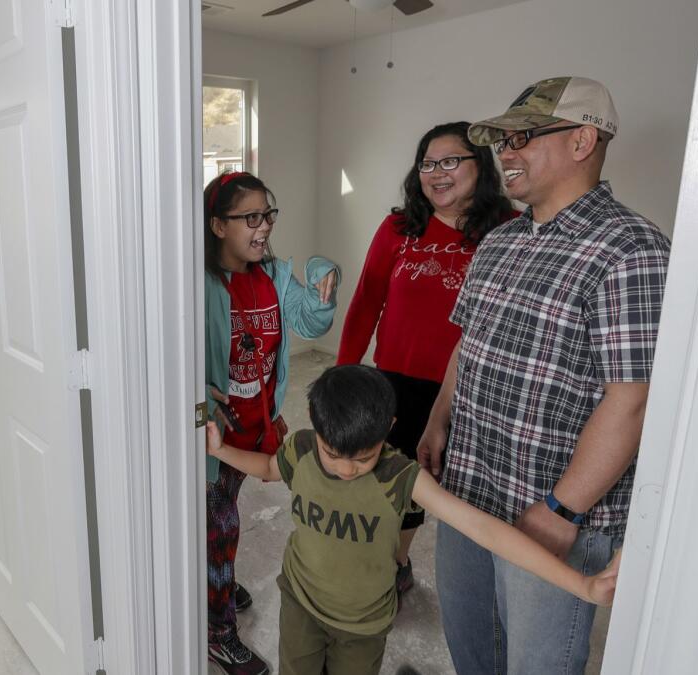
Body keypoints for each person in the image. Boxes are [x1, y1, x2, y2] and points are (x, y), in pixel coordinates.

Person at [417, 76, 671, 674]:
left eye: (523, 136)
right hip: (469, 495)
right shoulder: (500, 240)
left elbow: (632, 402)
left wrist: (562, 510)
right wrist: (437, 421)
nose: (505, 152)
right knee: (472, 651)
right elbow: (468, 343)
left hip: (551, 516)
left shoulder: (632, 250)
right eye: (503, 139)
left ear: (583, 140)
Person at [205, 364, 620, 675]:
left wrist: (581, 584)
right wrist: (220, 450)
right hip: (300, 604)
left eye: (363, 457)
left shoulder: (399, 476)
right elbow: (265, 468)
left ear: (388, 429)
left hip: (363, 627)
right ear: (315, 427)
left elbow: (483, 528)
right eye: (333, 455)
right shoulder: (300, 449)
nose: (347, 470)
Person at [336, 121, 515, 597]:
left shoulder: (509, 230)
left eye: (451, 161)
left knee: (442, 485)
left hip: (467, 387)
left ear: (481, 166)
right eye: (428, 163)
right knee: (390, 479)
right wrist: (344, 372)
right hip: (395, 380)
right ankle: (387, 559)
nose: (437, 173)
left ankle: (419, 567)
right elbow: (366, 300)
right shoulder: (399, 227)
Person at [203, 171, 339, 675]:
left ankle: (214, 581)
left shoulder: (275, 274)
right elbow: (170, 352)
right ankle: (218, 633)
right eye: (250, 218)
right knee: (220, 527)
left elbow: (307, 322)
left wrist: (323, 293)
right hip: (214, 437)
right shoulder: (198, 283)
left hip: (257, 426)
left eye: (268, 215)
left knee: (222, 521)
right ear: (218, 225)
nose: (264, 227)